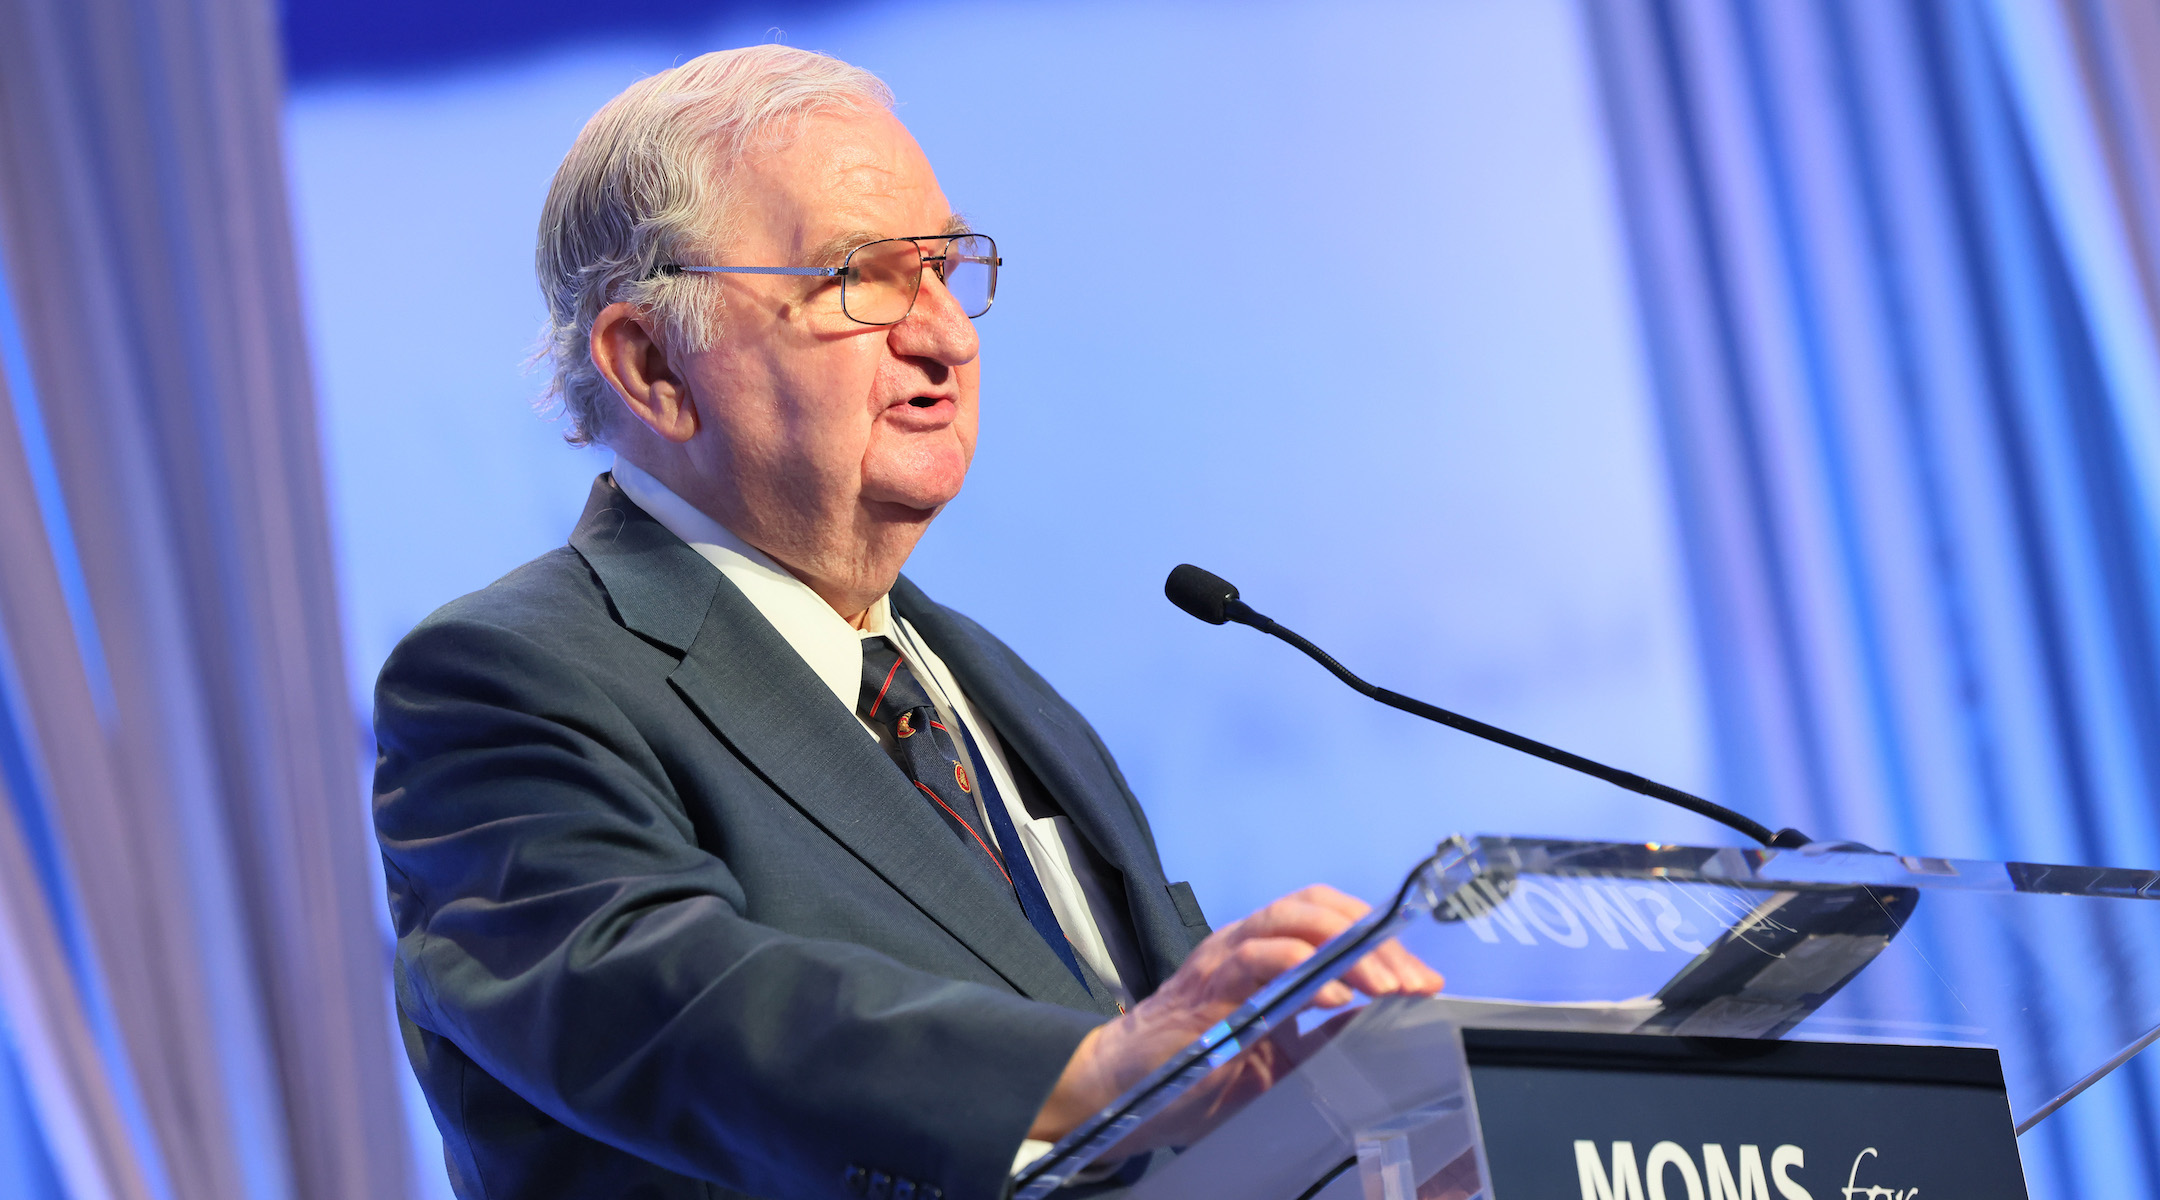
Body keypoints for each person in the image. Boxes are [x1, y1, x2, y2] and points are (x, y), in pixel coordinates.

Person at [372, 44, 1441, 1200]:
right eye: (863, 278)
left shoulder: (981, 677)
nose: (947, 336)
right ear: (652, 363)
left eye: (943, 267)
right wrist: (1092, 1072)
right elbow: (664, 1002)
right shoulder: (504, 678)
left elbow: (1155, 1068)